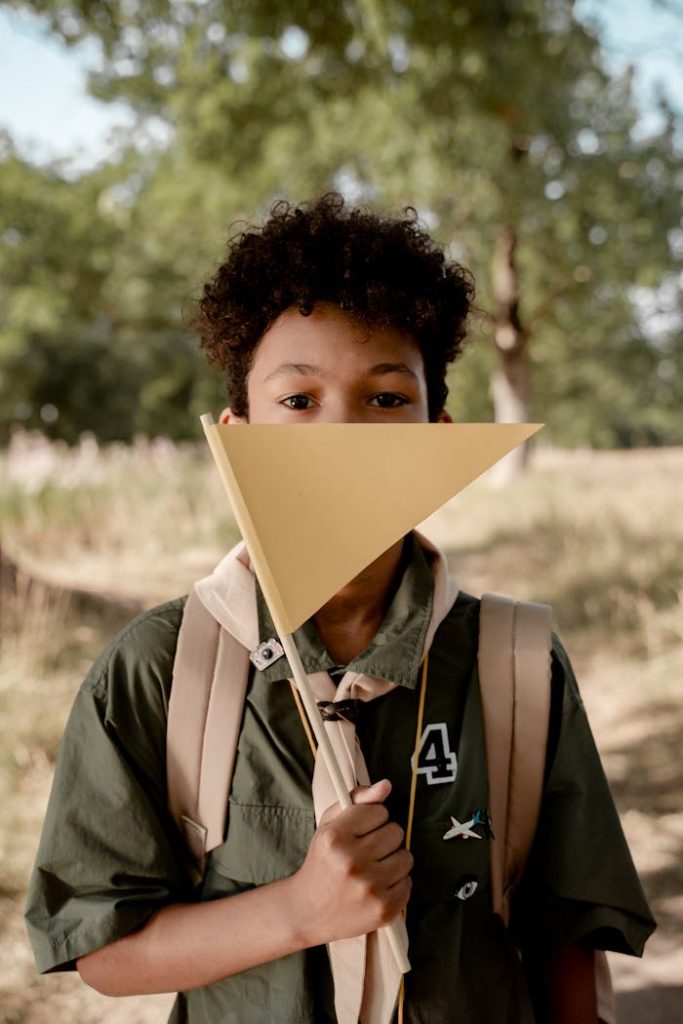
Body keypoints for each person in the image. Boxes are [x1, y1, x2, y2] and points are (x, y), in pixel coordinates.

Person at [25, 194, 655, 1023]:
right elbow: (101, 949)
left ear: (439, 431)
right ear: (236, 433)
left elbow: (565, 933)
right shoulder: (156, 667)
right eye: (297, 401)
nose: (342, 436)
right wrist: (298, 910)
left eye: (387, 400)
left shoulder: (515, 661)